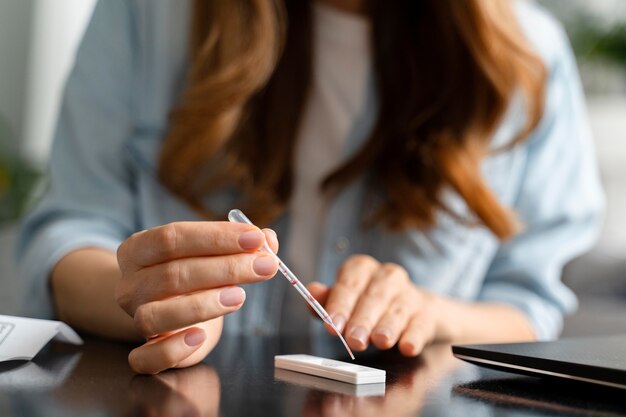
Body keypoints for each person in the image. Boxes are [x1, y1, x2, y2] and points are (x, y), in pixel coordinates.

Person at [17, 0, 603, 375]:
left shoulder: (528, 58)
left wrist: (429, 312)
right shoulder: (145, 14)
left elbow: (530, 304)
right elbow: (69, 229)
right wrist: (149, 298)